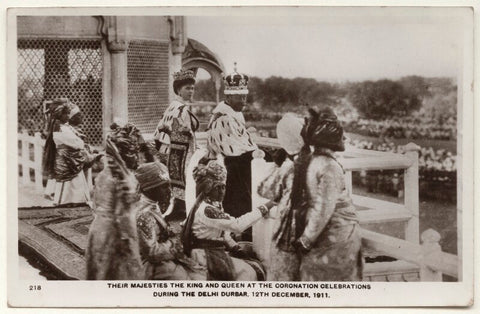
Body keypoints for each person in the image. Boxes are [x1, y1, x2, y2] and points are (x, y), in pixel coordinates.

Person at [285, 107, 363, 281]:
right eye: (340, 134)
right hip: (336, 235)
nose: (344, 138)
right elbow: (324, 207)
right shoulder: (329, 166)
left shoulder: (313, 161)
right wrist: (306, 239)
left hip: (325, 233)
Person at [181, 160, 276, 281]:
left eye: (223, 187)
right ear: (207, 189)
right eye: (217, 188)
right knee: (248, 272)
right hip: (204, 254)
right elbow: (237, 225)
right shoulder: (207, 210)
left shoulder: (214, 204)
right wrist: (267, 205)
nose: (221, 192)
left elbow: (223, 233)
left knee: (252, 262)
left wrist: (236, 248)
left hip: (213, 250)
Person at [85, 123, 144, 280]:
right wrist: (129, 242)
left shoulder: (108, 173)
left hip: (99, 229)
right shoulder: (119, 179)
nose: (137, 158)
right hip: (113, 233)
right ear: (121, 154)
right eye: (133, 153)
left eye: (137, 153)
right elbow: (122, 216)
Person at [206, 65, 258, 241]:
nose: (244, 101)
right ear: (228, 96)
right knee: (238, 204)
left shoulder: (233, 114)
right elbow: (237, 151)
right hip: (232, 169)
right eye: (239, 97)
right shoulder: (224, 118)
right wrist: (260, 154)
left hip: (236, 167)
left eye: (245, 96)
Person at [135, 161, 204, 280]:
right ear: (150, 188)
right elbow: (152, 253)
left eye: (168, 185)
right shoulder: (144, 215)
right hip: (151, 265)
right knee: (188, 279)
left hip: (161, 255)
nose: (169, 190)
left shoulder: (151, 203)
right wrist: (174, 244)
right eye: (164, 186)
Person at [257, 113, 305, 281]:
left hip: (289, 232)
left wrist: (277, 165)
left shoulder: (289, 168)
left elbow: (264, 189)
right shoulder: (319, 162)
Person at [153, 68, 199, 213]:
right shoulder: (182, 109)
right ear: (179, 90)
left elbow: (160, 129)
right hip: (181, 151)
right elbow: (184, 132)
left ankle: (178, 206)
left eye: (192, 88)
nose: (191, 91)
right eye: (187, 88)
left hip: (171, 150)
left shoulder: (172, 106)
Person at [46, 100, 96, 206]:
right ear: (61, 115)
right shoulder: (59, 128)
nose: (68, 116)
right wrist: (81, 143)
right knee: (67, 181)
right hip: (66, 159)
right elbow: (74, 141)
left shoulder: (64, 126)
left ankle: (76, 200)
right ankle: (65, 201)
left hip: (72, 158)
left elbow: (75, 140)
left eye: (69, 113)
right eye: (67, 114)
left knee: (75, 181)